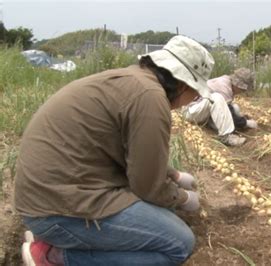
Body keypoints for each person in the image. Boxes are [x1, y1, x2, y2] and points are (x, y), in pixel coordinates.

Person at [14, 35, 214, 266]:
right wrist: (183, 198)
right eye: (195, 91)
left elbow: (132, 151)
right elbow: (148, 187)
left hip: (46, 199)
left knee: (166, 218)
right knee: (180, 244)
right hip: (58, 210)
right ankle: (55, 257)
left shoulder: (132, 81)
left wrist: (174, 175)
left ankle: (56, 240)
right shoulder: (150, 98)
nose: (194, 99)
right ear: (182, 82)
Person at [182, 68, 257, 146]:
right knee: (216, 98)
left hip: (200, 110)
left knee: (235, 107)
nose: (242, 92)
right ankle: (226, 137)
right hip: (190, 112)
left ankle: (216, 126)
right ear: (237, 84)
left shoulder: (228, 82)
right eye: (242, 90)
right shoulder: (224, 87)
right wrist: (246, 123)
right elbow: (229, 112)